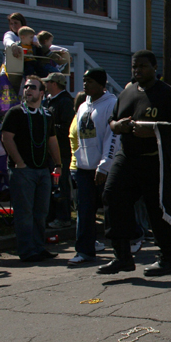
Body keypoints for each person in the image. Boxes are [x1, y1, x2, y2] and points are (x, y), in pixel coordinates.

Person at [99, 50, 171, 276]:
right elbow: (112, 119)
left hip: (155, 161)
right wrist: (117, 126)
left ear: (154, 68)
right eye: (134, 67)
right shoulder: (128, 91)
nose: (137, 70)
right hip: (127, 157)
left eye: (142, 66)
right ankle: (122, 256)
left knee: (158, 209)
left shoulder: (167, 95)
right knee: (112, 196)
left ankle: (167, 258)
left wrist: (153, 131)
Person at [1, 76, 61, 262]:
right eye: (26, 87)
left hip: (42, 170)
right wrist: (19, 162)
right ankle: (27, 250)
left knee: (41, 211)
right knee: (24, 212)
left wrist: (58, 164)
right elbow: (7, 138)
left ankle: (38, 247)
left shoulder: (47, 114)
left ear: (41, 93)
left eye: (33, 87)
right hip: (23, 171)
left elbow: (52, 140)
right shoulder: (16, 112)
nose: (28, 90)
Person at [68, 69, 117, 266]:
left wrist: (104, 165)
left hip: (103, 169)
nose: (85, 84)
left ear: (101, 84)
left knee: (111, 209)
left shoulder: (111, 104)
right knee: (85, 210)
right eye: (84, 80)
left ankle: (126, 243)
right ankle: (84, 251)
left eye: (89, 81)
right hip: (83, 168)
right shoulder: (82, 106)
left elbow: (112, 138)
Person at [42, 73, 74, 229]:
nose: (45, 85)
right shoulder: (49, 101)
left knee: (60, 184)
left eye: (47, 82)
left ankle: (64, 217)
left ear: (54, 84)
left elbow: (68, 128)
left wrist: (48, 128)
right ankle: (51, 216)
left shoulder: (65, 102)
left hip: (61, 152)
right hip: (50, 151)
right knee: (51, 185)